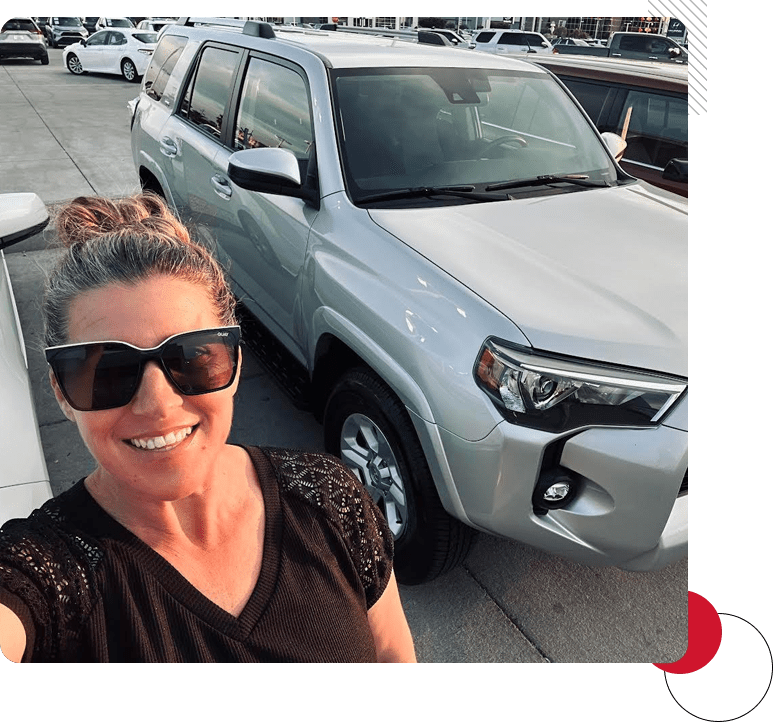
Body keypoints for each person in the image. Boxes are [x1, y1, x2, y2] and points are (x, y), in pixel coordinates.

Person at [0, 194, 416, 663]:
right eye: (107, 371)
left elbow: (391, 651)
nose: (158, 403)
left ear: (234, 364)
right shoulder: (49, 574)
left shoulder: (329, 496)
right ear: (60, 391)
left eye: (192, 358)